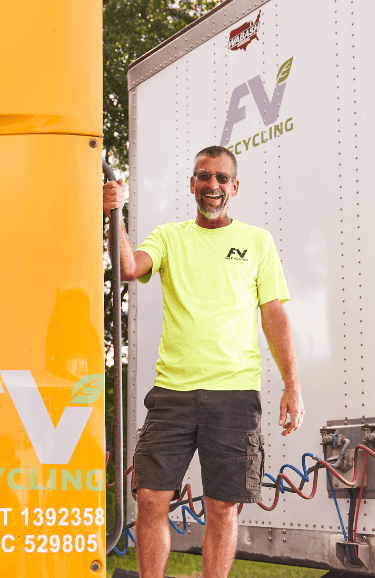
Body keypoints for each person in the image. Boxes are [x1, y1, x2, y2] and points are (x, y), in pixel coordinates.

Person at [103, 145, 303, 578]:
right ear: (191, 184)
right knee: (151, 499)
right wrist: (114, 213)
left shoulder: (256, 241)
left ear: (234, 186)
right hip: (173, 394)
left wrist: (292, 384)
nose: (212, 186)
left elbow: (274, 315)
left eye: (220, 178)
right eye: (203, 177)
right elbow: (127, 267)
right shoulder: (170, 237)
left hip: (234, 395)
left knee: (222, 505)